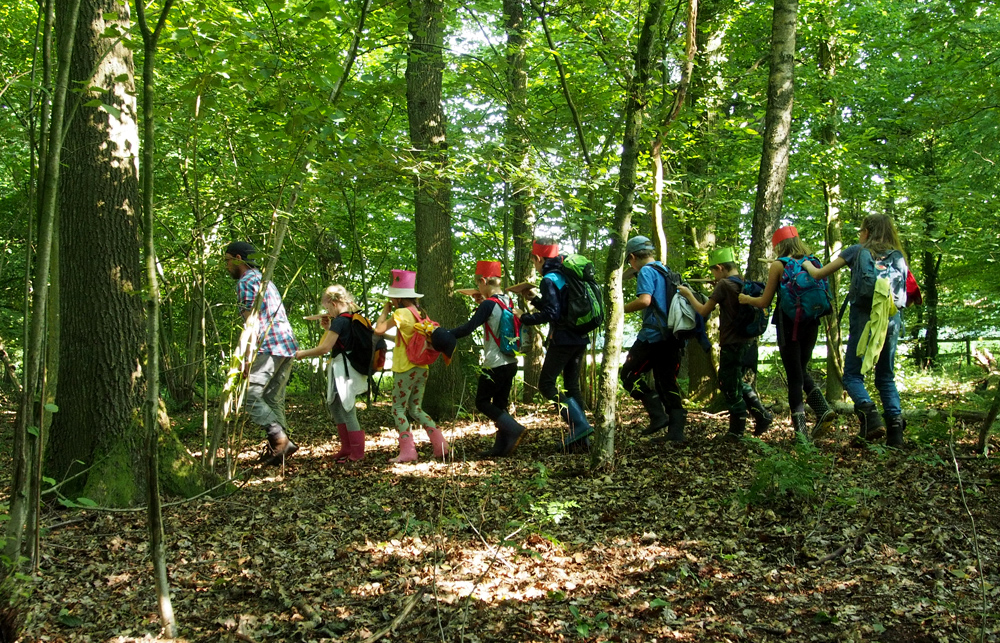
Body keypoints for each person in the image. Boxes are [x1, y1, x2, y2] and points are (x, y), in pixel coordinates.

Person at [801, 214, 909, 447]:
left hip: (864, 319)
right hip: (891, 319)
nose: (860, 234)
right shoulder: (898, 256)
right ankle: (896, 433)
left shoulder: (857, 251)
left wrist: (806, 263)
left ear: (867, 232)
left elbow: (819, 274)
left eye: (861, 230)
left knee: (851, 375)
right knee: (885, 377)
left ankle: (870, 416)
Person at [739, 226, 835, 439]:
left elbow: (765, 301)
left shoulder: (779, 265)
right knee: (800, 369)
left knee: (794, 376)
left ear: (779, 246)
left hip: (789, 325)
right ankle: (822, 409)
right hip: (812, 322)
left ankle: (801, 434)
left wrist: (746, 299)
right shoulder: (812, 262)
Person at [676, 246, 773, 440]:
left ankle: (737, 430)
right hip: (748, 344)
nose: (712, 274)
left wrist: (688, 294)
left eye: (713, 270)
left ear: (720, 267)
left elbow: (703, 311)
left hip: (732, 344)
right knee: (735, 381)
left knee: (728, 384)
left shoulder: (724, 286)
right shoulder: (742, 283)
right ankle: (762, 415)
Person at [224, 241, 299, 465]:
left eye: (227, 260)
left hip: (268, 346)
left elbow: (252, 323)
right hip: (286, 345)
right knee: (272, 399)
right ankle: (281, 453)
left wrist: (246, 358)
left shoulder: (246, 282)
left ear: (238, 258)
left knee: (250, 397)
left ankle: (279, 440)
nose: (226, 266)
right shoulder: (264, 280)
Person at [515, 238, 593, 452]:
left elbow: (552, 314)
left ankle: (580, 426)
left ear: (538, 258)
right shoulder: (565, 275)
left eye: (534, 261)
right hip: (579, 337)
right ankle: (582, 442)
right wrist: (534, 299)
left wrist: (524, 317)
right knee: (571, 386)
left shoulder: (549, 279)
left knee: (546, 384)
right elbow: (561, 308)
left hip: (564, 339)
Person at [446, 261, 526, 458]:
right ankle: (502, 447)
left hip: (494, 363)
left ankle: (514, 429)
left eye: (478, 284)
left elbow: (467, 328)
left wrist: (445, 333)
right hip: (511, 362)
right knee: (499, 405)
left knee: (482, 402)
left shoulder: (489, 304)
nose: (478, 289)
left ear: (483, 280)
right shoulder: (508, 301)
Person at [374, 269, 449, 463]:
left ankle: (408, 451)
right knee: (415, 409)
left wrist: (384, 311)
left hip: (404, 368)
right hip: (421, 367)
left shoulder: (400, 313)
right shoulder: (419, 313)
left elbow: (379, 329)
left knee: (398, 410)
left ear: (398, 299)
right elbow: (404, 337)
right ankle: (440, 445)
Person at [619, 236, 686, 442]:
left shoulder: (647, 272)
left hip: (653, 337)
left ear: (632, 257)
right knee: (667, 382)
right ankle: (676, 433)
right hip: (673, 336)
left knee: (628, 375)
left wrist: (619, 309)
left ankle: (657, 416)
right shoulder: (665, 271)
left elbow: (644, 300)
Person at [295, 285, 367, 463]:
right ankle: (347, 447)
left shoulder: (341, 321)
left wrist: (301, 353)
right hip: (340, 368)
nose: (326, 311)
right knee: (335, 405)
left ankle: (357, 453)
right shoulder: (347, 319)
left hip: (344, 370)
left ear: (334, 303)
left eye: (327, 307)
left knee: (347, 408)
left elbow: (325, 348)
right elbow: (336, 343)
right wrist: (328, 329)